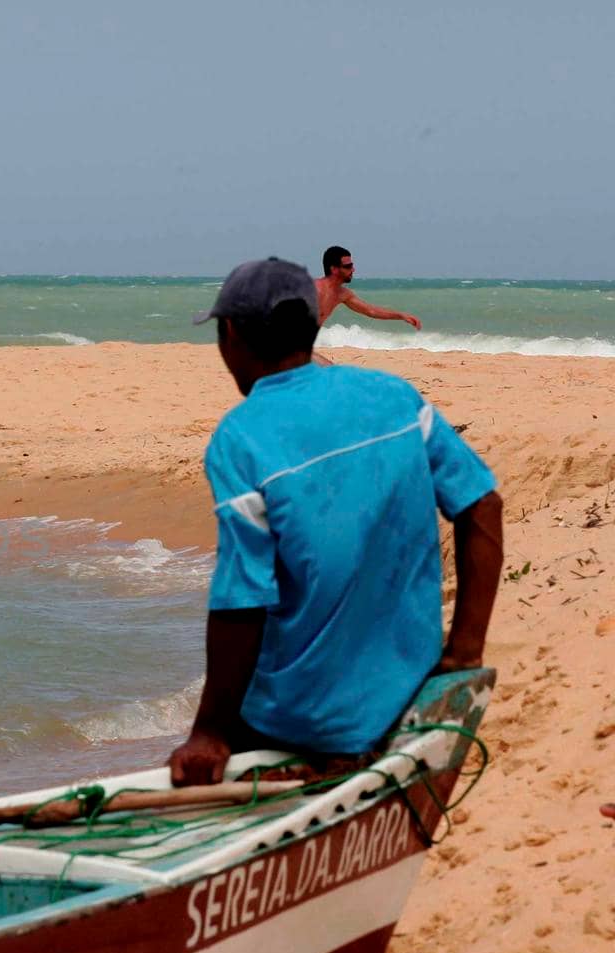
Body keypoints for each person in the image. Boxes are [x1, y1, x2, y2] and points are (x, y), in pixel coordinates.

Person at [169, 257, 503, 786]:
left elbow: (242, 600)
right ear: (310, 323)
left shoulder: (240, 439)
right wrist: (464, 652)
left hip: (299, 722)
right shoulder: (393, 397)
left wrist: (210, 732)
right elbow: (482, 504)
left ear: (229, 335)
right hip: (410, 695)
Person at [316, 246, 422, 330]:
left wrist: (401, 315)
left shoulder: (342, 294)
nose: (353, 270)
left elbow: (371, 311)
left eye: (352, 265)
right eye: (348, 266)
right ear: (334, 269)